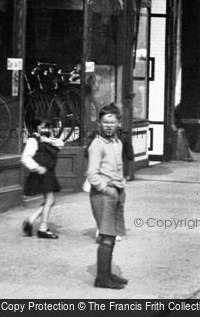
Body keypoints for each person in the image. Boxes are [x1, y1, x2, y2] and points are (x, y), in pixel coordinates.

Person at [87, 104, 128, 289]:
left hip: (117, 191)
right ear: (99, 124)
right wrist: (107, 189)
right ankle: (101, 279)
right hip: (103, 195)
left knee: (112, 235)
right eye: (105, 122)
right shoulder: (97, 145)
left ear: (118, 123)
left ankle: (108, 273)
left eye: (112, 122)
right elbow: (92, 175)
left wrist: (121, 186)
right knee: (106, 235)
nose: (109, 125)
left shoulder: (117, 143)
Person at [21, 119, 64, 239]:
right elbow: (25, 158)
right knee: (50, 200)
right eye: (42, 127)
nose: (45, 129)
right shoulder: (33, 141)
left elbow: (61, 144)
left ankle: (30, 220)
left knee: (50, 201)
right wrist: (37, 167)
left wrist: (49, 139)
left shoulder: (52, 141)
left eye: (48, 127)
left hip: (49, 173)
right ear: (37, 128)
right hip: (41, 173)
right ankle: (42, 229)